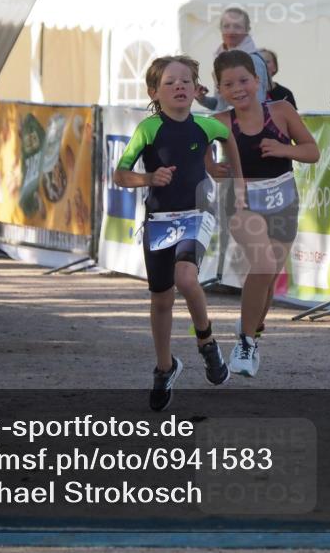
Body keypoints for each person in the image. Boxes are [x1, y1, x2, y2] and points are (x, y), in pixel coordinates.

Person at [113, 55, 246, 411]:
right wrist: (148, 178)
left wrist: (221, 168)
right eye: (170, 82)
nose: (179, 87)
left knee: (186, 278)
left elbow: (227, 138)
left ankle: (206, 342)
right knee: (161, 299)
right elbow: (120, 174)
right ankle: (164, 367)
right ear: (154, 92)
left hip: (197, 213)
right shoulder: (148, 130)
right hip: (158, 220)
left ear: (195, 87)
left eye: (186, 81)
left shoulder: (206, 125)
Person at [208, 50, 319, 377]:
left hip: (283, 200)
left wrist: (284, 149)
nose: (238, 88)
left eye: (244, 80)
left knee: (269, 277)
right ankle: (244, 341)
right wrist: (214, 168)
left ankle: (252, 335)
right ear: (220, 90)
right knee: (263, 263)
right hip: (243, 202)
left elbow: (312, 151)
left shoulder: (282, 111)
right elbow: (203, 157)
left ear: (258, 81)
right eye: (229, 84)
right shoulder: (219, 123)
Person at [196, 7, 269, 110]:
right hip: (224, 123)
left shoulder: (253, 60)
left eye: (237, 26)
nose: (231, 31)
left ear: (247, 30)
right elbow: (220, 105)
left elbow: (257, 105)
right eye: (226, 26)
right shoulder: (220, 58)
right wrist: (202, 98)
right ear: (220, 29)